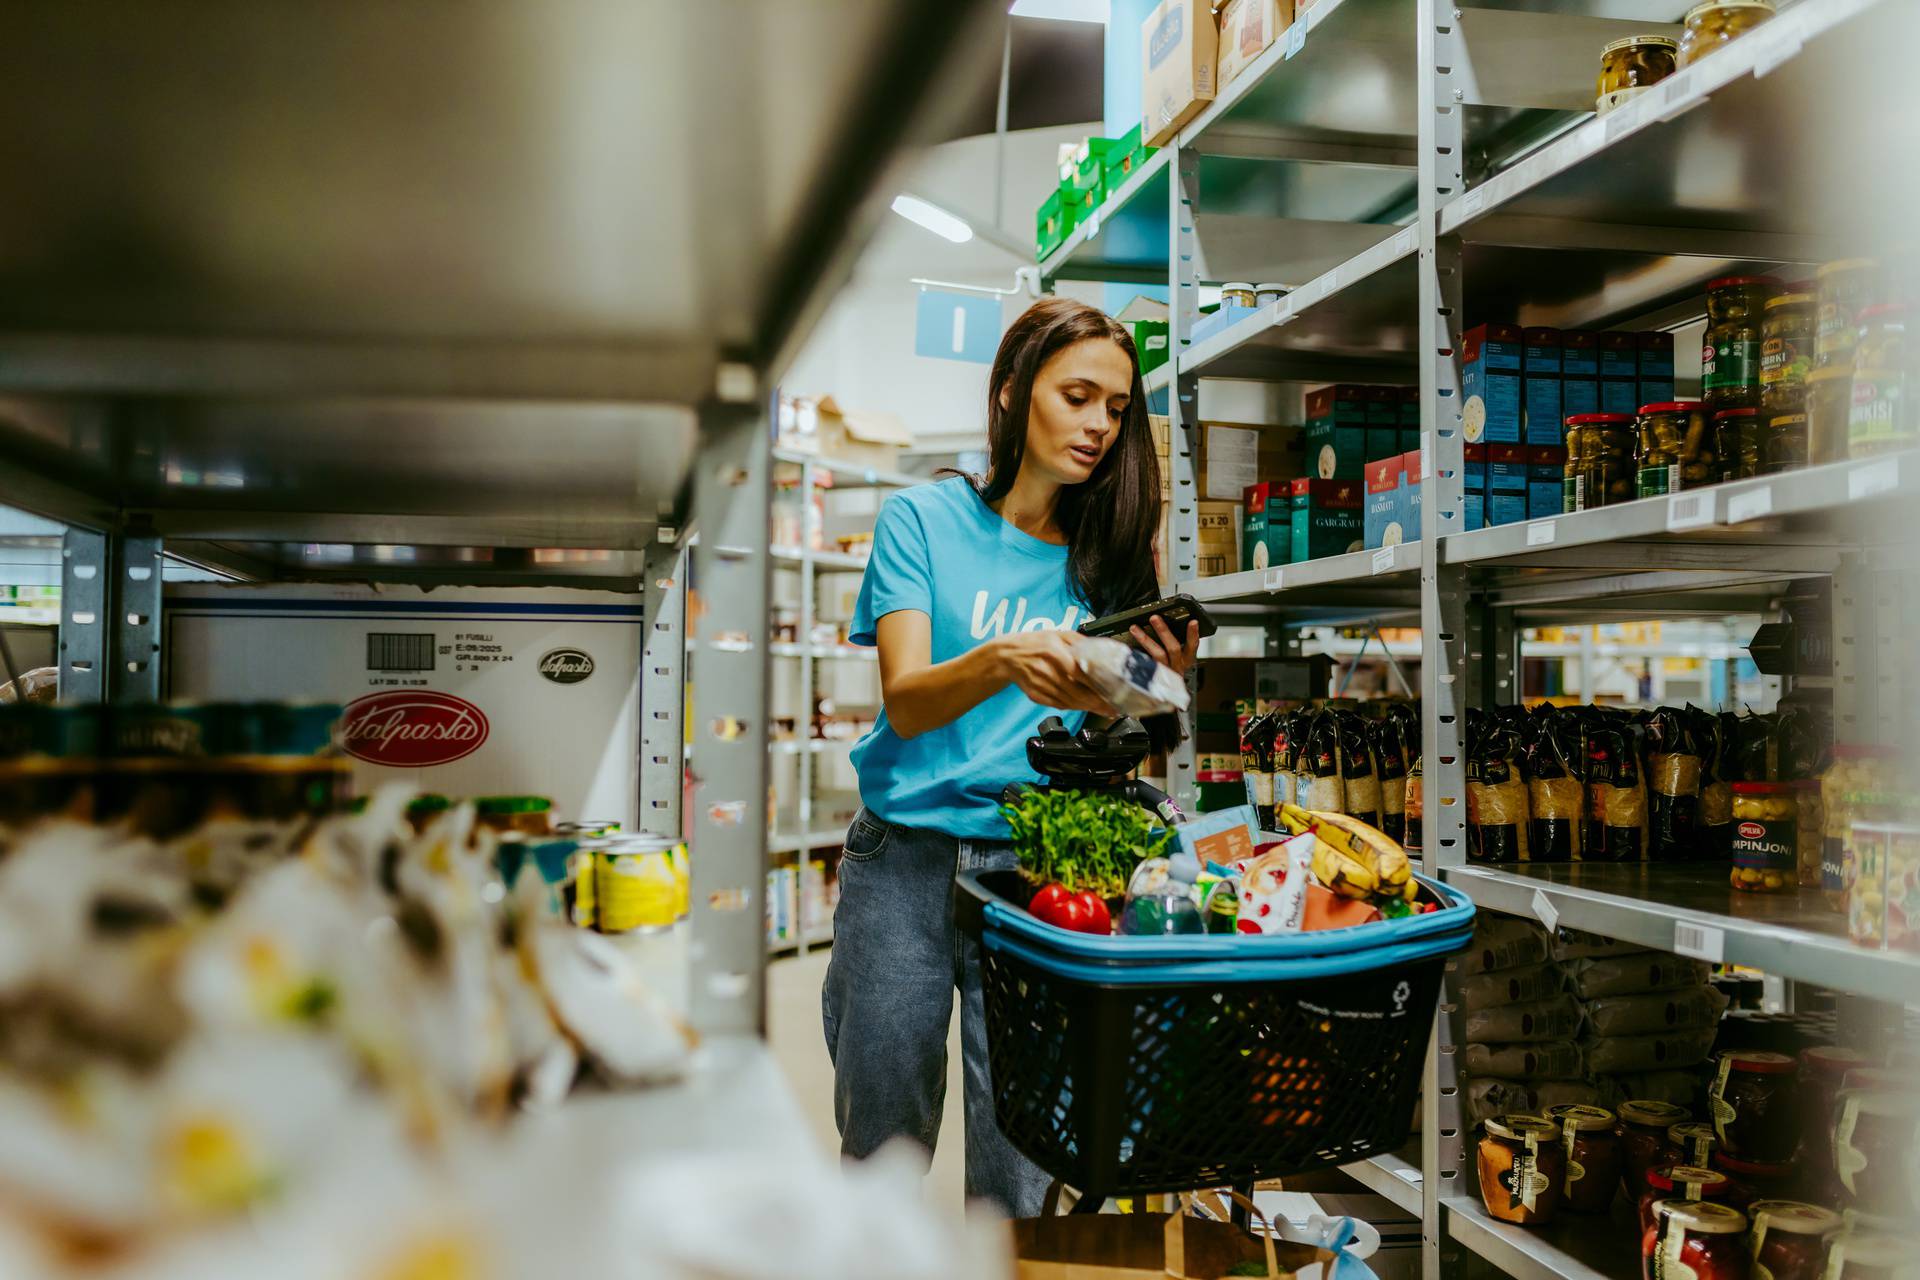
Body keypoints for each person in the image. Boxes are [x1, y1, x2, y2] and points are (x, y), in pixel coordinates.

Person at [821, 296, 1200, 1215]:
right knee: (882, 1150)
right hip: (903, 863)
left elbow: (1119, 753)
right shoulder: (921, 519)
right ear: (1009, 395)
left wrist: (1154, 693)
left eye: (1116, 409)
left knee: (1023, 1168)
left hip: (1043, 877)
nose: (1099, 428)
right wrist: (1003, 658)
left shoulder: (1108, 563)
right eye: (1077, 397)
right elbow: (907, 702)